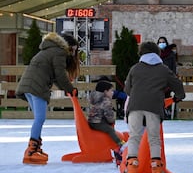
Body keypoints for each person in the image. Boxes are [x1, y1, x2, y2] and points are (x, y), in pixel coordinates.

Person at [119, 41, 185, 173]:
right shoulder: (163, 69)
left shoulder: (135, 68)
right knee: (154, 139)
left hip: (135, 106)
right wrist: (178, 96)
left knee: (134, 137)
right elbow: (178, 85)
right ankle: (157, 172)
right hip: (154, 107)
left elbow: (127, 89)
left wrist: (138, 93)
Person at [16, 32, 80, 165]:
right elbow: (60, 75)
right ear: (67, 46)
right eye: (73, 50)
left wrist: (66, 89)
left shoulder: (50, 50)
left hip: (28, 86)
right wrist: (70, 89)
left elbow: (55, 76)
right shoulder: (59, 52)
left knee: (38, 118)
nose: (73, 53)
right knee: (40, 118)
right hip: (37, 86)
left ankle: (36, 147)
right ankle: (31, 151)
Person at [88, 80, 125, 166]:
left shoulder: (96, 98)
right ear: (105, 92)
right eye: (111, 91)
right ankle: (119, 143)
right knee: (109, 130)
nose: (113, 93)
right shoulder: (106, 100)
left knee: (108, 128)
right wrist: (111, 121)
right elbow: (109, 114)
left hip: (93, 120)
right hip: (97, 122)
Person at [157, 36, 177, 119]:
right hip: (158, 78)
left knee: (167, 95)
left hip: (168, 77)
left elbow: (173, 66)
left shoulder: (171, 54)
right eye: (160, 42)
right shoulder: (156, 54)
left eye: (163, 42)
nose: (161, 44)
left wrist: (173, 76)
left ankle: (167, 111)